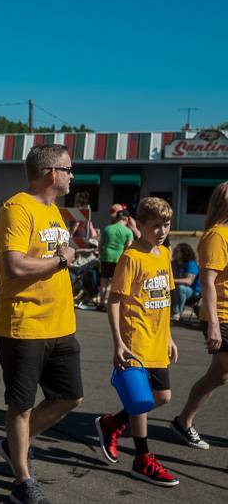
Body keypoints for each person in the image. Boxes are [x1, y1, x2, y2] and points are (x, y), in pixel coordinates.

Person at [0, 144, 82, 504]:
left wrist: (66, 256)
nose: (72, 175)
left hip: (61, 324)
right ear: (51, 173)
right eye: (69, 169)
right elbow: (14, 266)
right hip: (24, 324)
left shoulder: (55, 212)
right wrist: (62, 260)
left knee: (69, 397)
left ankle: (16, 444)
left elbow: (50, 256)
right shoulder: (17, 208)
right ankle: (21, 480)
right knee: (21, 407)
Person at [94, 197, 179, 487]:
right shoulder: (131, 257)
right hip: (135, 339)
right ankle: (142, 459)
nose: (162, 231)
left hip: (157, 339)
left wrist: (168, 336)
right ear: (139, 225)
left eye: (166, 224)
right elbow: (114, 301)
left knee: (162, 396)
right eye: (155, 225)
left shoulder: (163, 254)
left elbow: (165, 299)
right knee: (142, 401)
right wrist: (118, 342)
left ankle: (114, 422)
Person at [170, 181, 228, 450]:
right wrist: (213, 325)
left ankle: (183, 421)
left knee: (219, 375)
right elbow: (207, 282)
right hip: (222, 316)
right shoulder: (217, 235)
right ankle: (184, 422)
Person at [98, 207, 134, 310]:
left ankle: (101, 303)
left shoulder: (108, 228)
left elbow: (100, 245)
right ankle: (112, 304)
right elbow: (128, 247)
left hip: (106, 256)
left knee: (104, 281)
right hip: (119, 259)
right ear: (126, 219)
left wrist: (101, 255)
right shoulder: (128, 231)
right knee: (116, 282)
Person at [171, 243, 200, 322]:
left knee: (181, 288)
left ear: (183, 253)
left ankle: (177, 312)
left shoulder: (191, 264)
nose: (174, 251)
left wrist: (170, 281)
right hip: (177, 289)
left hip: (193, 292)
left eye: (177, 250)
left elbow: (189, 281)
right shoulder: (173, 263)